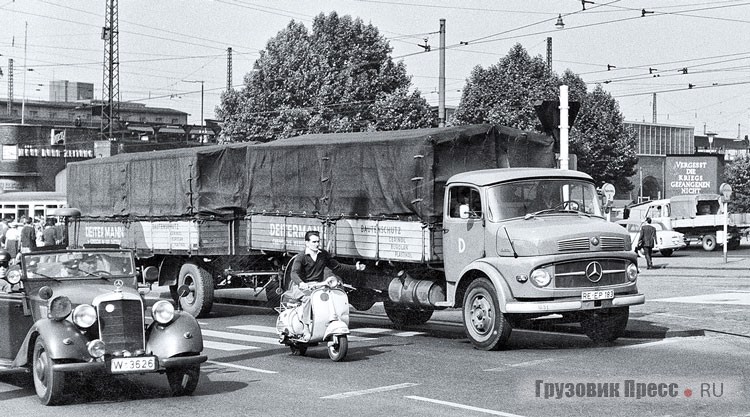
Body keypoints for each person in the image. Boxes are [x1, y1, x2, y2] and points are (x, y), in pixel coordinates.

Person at [288, 230, 365, 341]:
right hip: (301, 287)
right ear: (307, 243)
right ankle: (305, 327)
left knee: (333, 295)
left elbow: (337, 267)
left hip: (318, 285)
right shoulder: (301, 257)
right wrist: (301, 283)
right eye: (314, 242)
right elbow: (294, 273)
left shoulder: (323, 255)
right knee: (309, 299)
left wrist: (355, 268)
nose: (317, 244)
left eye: (318, 241)